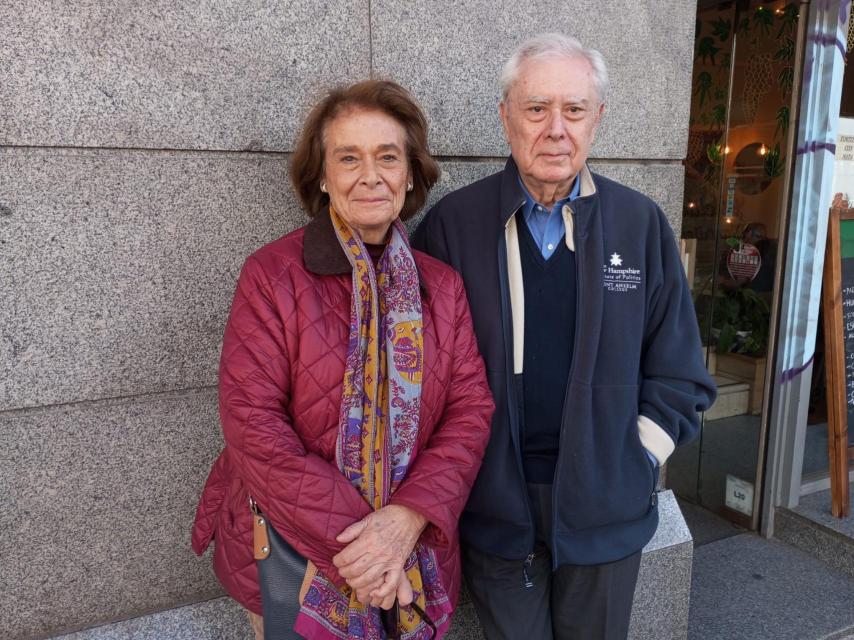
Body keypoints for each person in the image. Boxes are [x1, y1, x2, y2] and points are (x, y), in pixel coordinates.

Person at [412, 33, 717, 640]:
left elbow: (680, 373)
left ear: (597, 119)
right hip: (494, 506)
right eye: (536, 108)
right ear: (505, 117)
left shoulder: (640, 224)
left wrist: (632, 461)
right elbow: (420, 374)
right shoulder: (453, 225)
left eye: (573, 110)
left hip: (605, 508)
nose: (556, 128)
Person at [192, 79, 494, 639]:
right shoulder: (272, 276)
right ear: (324, 177)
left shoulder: (442, 287)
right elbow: (251, 423)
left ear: (410, 173)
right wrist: (368, 546)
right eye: (348, 158)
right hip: (294, 551)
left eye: (388, 156)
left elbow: (470, 410)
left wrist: (406, 521)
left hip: (412, 548)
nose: (370, 174)